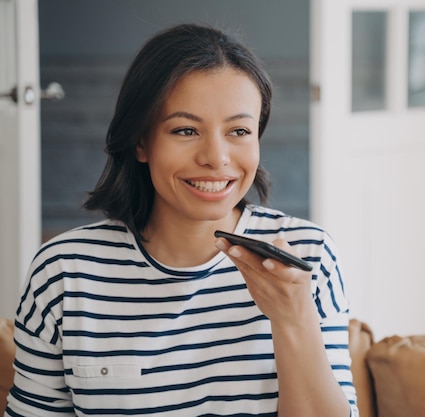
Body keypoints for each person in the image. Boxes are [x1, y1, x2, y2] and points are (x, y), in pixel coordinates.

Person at [6, 23, 358, 417]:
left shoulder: (308, 256)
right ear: (141, 141)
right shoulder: (64, 271)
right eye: (186, 130)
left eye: (239, 130)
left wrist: (292, 320)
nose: (216, 157)